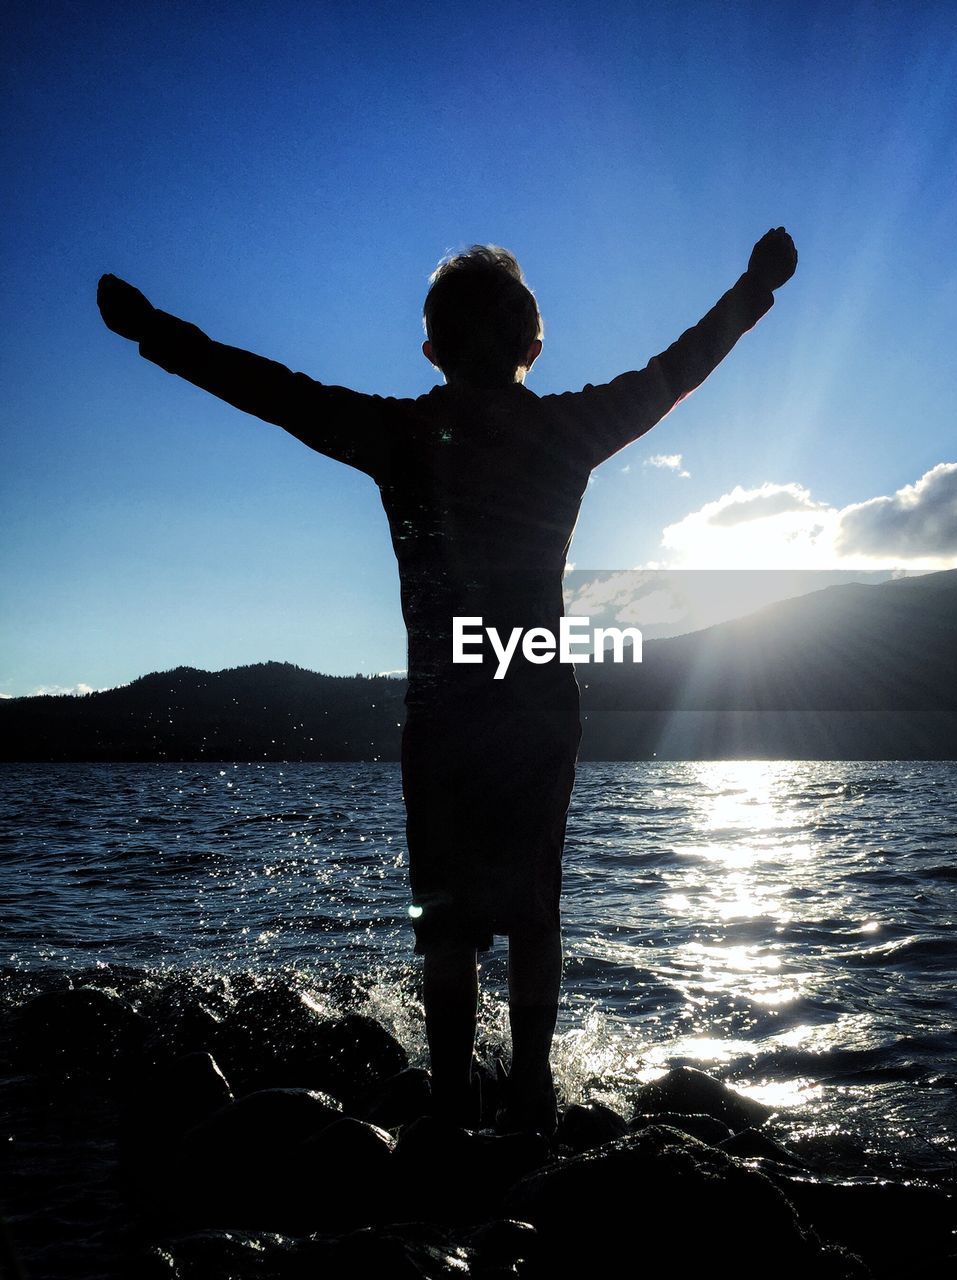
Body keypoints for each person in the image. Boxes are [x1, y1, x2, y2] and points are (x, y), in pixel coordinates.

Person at [96, 226, 798, 1133]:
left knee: (445, 916)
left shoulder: (404, 433)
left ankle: (455, 1095)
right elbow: (678, 369)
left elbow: (273, 393)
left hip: (446, 704)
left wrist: (157, 333)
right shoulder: (565, 427)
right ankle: (536, 1092)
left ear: (431, 348)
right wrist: (753, 287)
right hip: (538, 697)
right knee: (534, 903)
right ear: (532, 348)